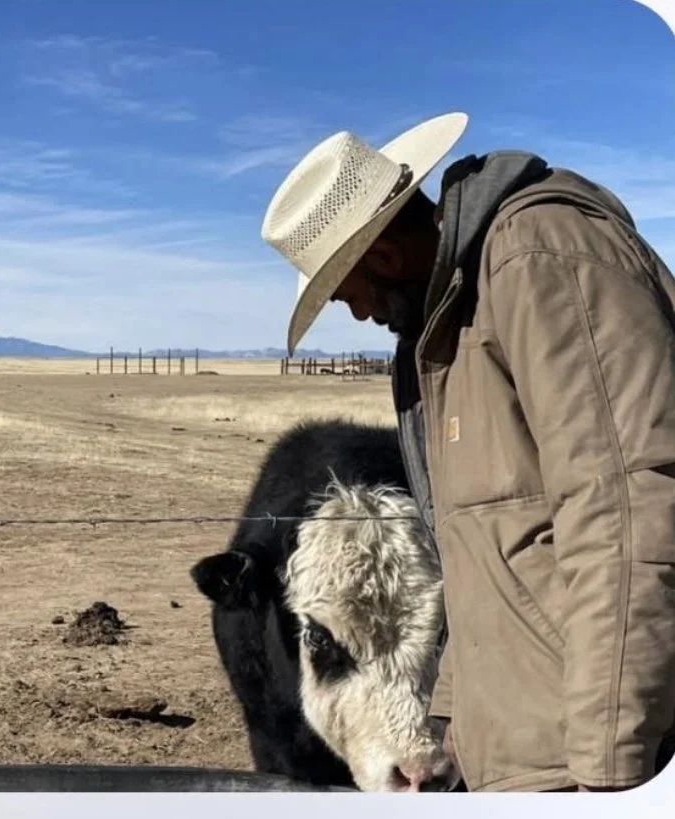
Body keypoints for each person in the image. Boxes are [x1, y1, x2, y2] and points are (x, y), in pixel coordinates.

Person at [258, 111, 675, 793]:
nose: (360, 314)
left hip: (591, 755)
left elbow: (627, 517)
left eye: (348, 294)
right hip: (523, 747)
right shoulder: (445, 336)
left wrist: (613, 764)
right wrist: (456, 713)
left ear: (383, 258)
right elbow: (476, 550)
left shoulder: (537, 259)